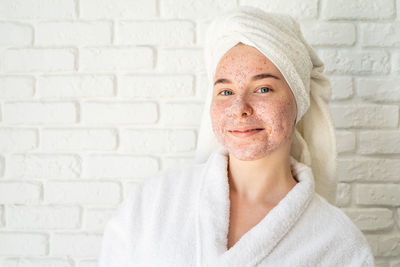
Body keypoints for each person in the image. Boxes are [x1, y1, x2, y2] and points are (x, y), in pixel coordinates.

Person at [98, 6, 375, 267]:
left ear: (298, 100)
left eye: (263, 89)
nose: (239, 108)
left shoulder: (339, 243)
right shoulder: (153, 201)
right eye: (226, 92)